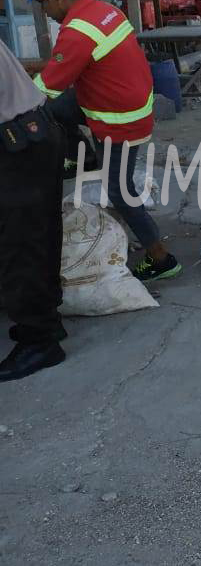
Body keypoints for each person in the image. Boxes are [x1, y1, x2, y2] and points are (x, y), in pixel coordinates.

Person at [24, 0, 180, 282]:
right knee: (60, 110)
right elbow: (77, 61)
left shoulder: (77, 31)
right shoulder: (104, 10)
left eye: (42, 4)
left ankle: (161, 259)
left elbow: (44, 91)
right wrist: (38, 67)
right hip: (125, 101)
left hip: (118, 120)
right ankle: (85, 157)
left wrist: (14, 104)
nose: (44, 13)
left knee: (119, 191)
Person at [0, 39, 68, 381]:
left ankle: (40, 341)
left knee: (22, 246)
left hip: (19, 145)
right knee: (38, 237)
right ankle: (45, 322)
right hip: (32, 134)